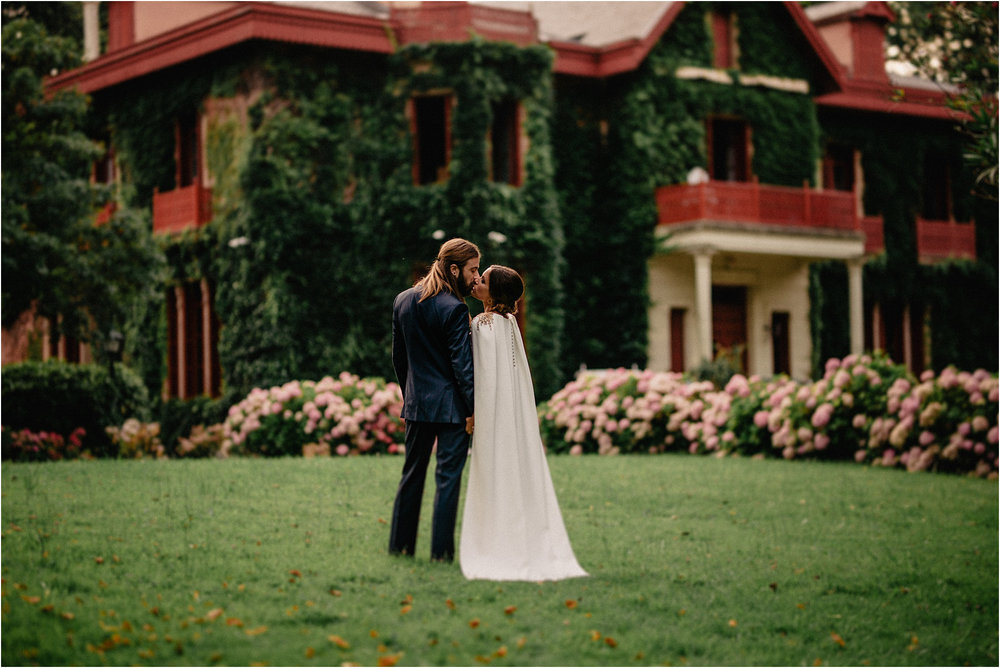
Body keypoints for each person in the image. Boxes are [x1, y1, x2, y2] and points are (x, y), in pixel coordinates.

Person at [460, 265, 588, 581]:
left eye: (484, 279)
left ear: (496, 293)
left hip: (492, 416)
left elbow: (475, 369)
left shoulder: (484, 324)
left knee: (493, 471)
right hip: (510, 415)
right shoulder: (509, 323)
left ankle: (495, 542)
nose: (477, 281)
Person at [389, 238, 480, 562]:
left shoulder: (402, 300)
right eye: (472, 270)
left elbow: (399, 359)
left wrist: (409, 396)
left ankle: (400, 548)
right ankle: (441, 554)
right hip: (452, 408)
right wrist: (473, 410)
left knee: (411, 474)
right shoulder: (455, 308)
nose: (476, 277)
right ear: (453, 269)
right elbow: (461, 366)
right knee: (447, 479)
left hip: (416, 405)